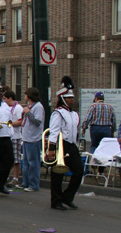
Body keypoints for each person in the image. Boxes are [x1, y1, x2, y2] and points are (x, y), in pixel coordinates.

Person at [46, 77, 84, 210]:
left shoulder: (74, 114)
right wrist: (51, 149)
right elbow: (54, 131)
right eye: (68, 98)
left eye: (72, 98)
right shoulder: (58, 113)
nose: (71, 100)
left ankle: (67, 197)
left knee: (79, 171)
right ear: (62, 99)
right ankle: (56, 201)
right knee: (57, 175)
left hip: (72, 145)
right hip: (61, 145)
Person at [20, 87, 44, 192]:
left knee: (33, 163)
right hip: (26, 138)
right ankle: (25, 182)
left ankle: (34, 184)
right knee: (25, 162)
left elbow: (37, 121)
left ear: (29, 96)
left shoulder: (38, 107)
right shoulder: (31, 106)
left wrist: (28, 113)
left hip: (33, 138)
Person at [3, 90, 24, 188]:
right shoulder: (6, 107)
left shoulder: (18, 108)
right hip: (7, 136)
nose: (4, 100)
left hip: (16, 136)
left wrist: (9, 124)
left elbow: (21, 121)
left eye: (5, 98)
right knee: (6, 158)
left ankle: (16, 178)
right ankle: (6, 176)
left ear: (10, 98)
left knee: (16, 159)